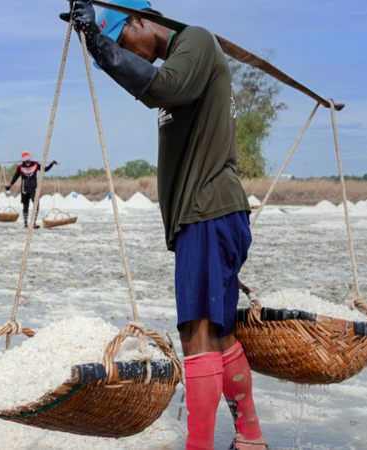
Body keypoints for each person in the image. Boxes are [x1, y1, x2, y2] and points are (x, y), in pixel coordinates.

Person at [61, 1, 263, 449]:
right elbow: (161, 84)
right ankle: (250, 437)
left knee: (196, 334)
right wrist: (100, 45)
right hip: (209, 216)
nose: (126, 53)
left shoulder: (195, 40)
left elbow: (161, 87)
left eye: (122, 42)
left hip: (207, 212)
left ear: (139, 20)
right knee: (220, 333)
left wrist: (98, 45)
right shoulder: (183, 60)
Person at [5, 152, 57, 228]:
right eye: (25, 159)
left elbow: (45, 169)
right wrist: (10, 185)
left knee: (36, 204)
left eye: (28, 159)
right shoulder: (20, 167)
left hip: (34, 189)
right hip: (24, 190)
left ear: (30, 158)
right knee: (25, 207)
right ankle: (26, 224)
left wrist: (51, 164)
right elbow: (16, 176)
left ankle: (34, 223)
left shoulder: (35, 165)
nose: (27, 160)